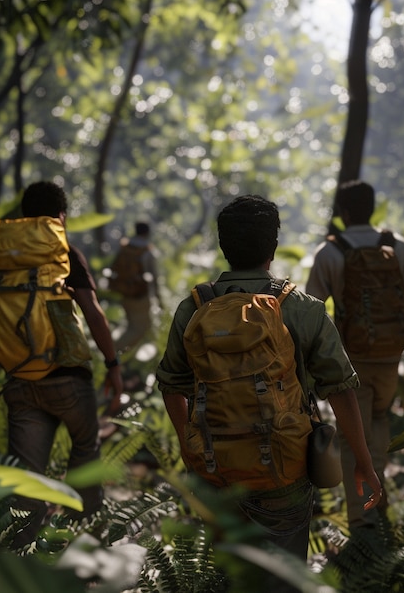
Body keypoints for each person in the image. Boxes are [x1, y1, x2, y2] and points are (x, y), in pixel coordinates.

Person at [156, 195, 382, 590]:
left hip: (215, 468)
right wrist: (363, 463)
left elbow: (171, 385)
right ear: (272, 248)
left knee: (231, 576)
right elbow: (341, 390)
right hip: (285, 467)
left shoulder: (193, 308)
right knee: (283, 578)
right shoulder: (301, 307)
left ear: (224, 247)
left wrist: (189, 444)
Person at [306, 180, 404, 532]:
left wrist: (316, 362)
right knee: (378, 421)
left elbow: (313, 312)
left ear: (344, 213)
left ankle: (363, 521)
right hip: (390, 356)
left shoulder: (329, 253)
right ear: (372, 209)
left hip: (350, 362)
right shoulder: (398, 247)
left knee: (351, 437)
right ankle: (378, 506)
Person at [6, 180, 123, 547]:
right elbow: (92, 312)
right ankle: (82, 544)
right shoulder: (64, 251)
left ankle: (22, 553)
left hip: (21, 378)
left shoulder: (7, 255)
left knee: (28, 475)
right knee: (86, 452)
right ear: (62, 216)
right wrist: (113, 363)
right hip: (67, 378)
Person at [110, 222, 162, 356]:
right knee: (140, 329)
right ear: (146, 233)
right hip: (141, 296)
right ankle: (112, 351)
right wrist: (159, 298)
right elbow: (154, 277)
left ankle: (123, 358)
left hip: (125, 294)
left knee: (131, 326)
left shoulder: (125, 248)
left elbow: (114, 269)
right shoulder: (147, 251)